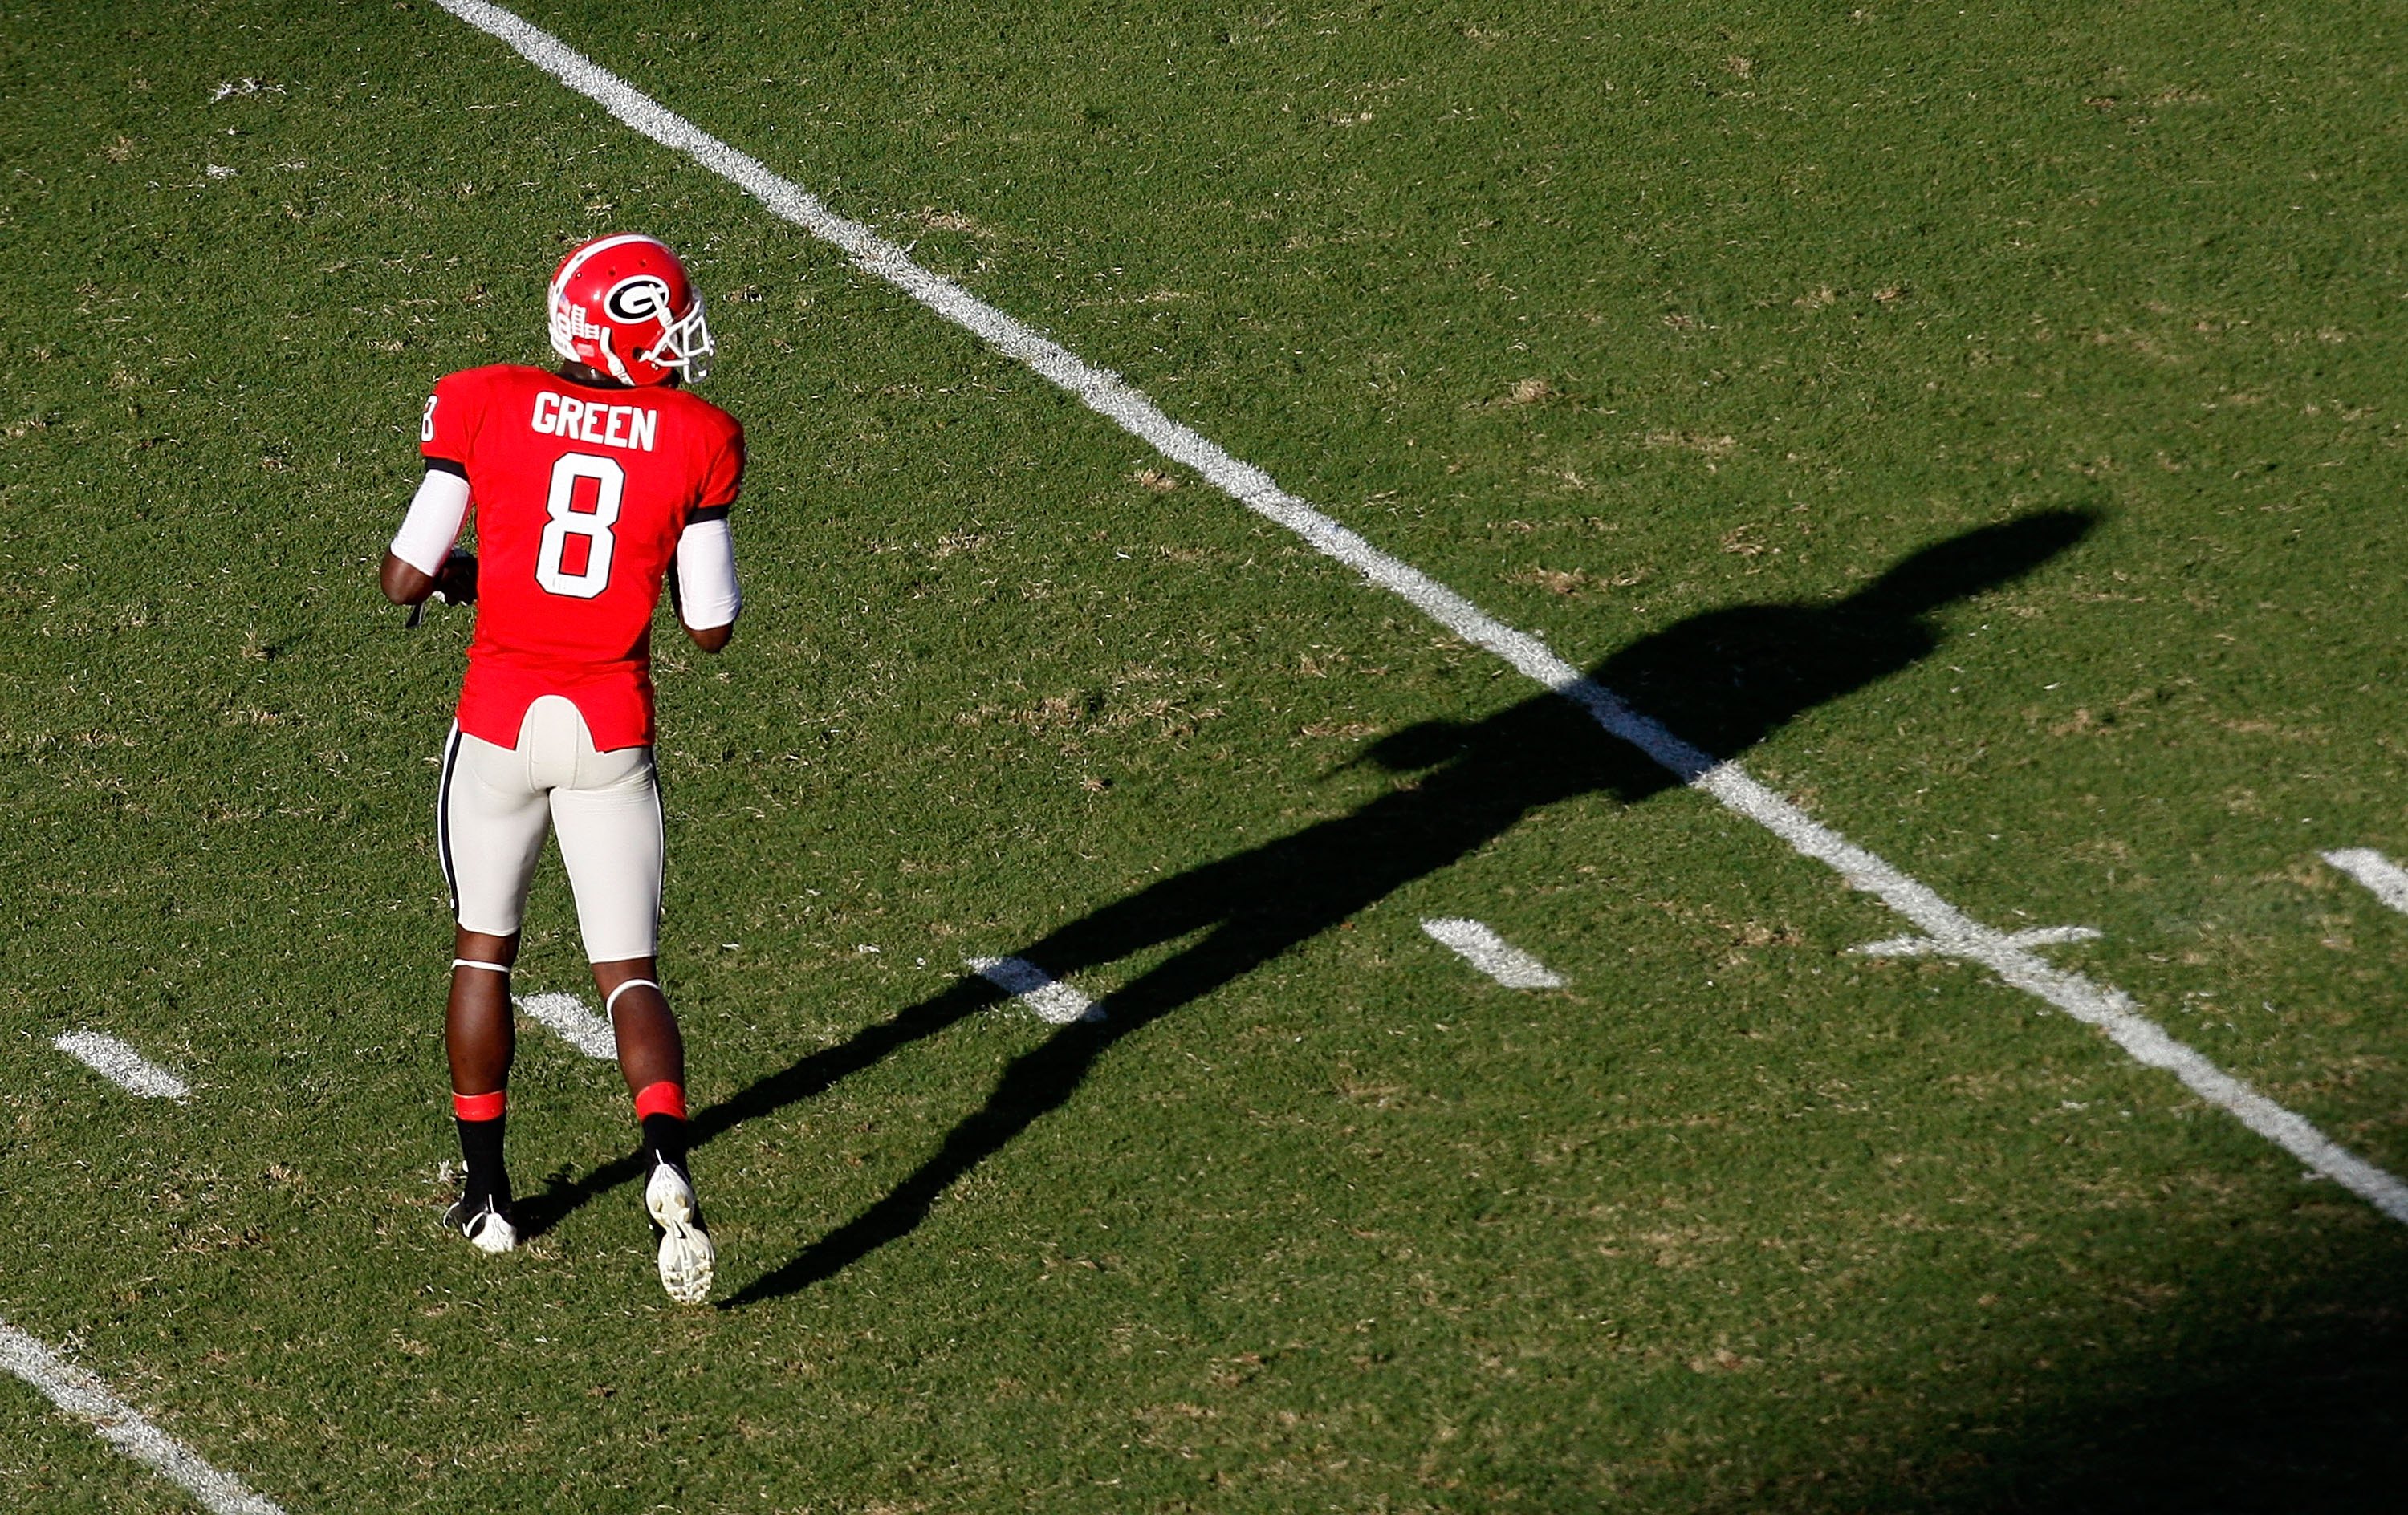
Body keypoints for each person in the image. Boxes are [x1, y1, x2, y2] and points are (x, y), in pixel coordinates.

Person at [378, 233, 744, 1304]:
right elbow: (711, 625)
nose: (682, 346)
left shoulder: (485, 399)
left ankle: (488, 1199)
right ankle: (667, 1155)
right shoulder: (699, 436)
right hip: (611, 725)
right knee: (628, 970)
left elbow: (404, 575)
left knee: (484, 953)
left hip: (499, 722)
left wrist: (470, 583)